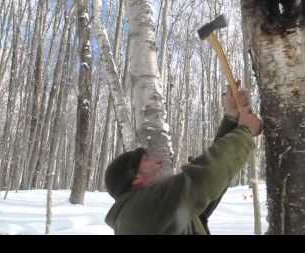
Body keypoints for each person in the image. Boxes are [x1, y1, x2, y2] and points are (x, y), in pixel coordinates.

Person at [104, 82, 261, 234]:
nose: (158, 162)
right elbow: (202, 181)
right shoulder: (139, 213)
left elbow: (197, 205)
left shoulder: (148, 213)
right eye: (146, 160)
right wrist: (244, 133)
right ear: (137, 180)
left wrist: (231, 119)